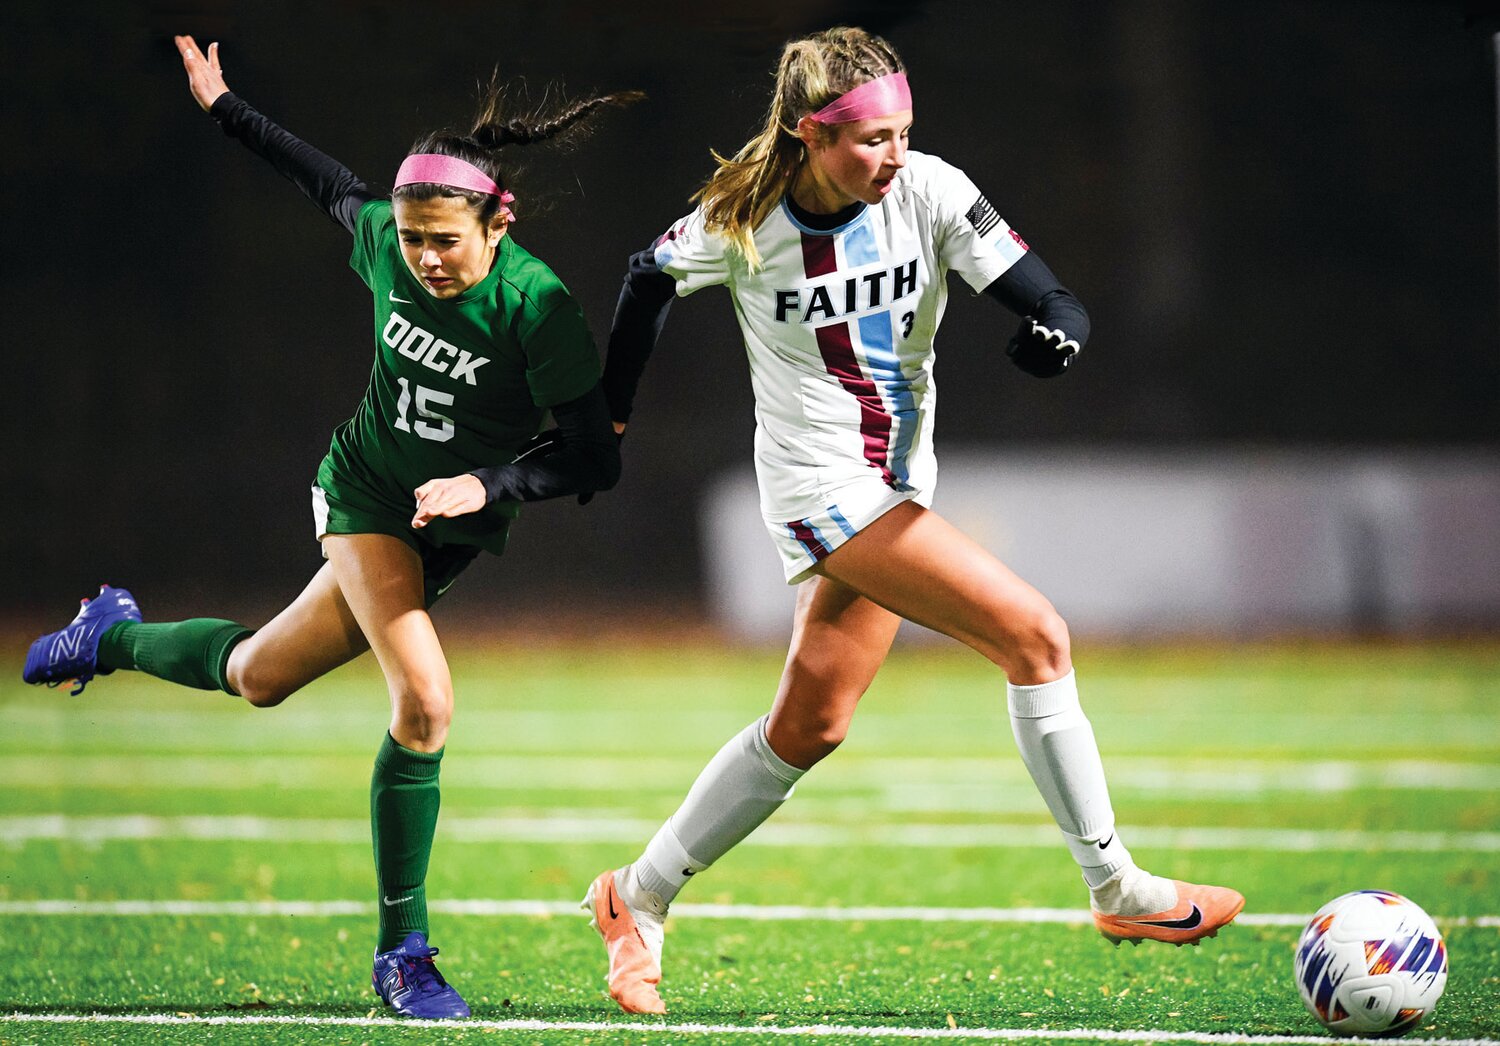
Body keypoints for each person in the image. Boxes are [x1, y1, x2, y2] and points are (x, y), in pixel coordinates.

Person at [584, 26, 1244, 1015]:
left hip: (897, 482)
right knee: (1036, 635)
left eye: (902, 132)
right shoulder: (744, 220)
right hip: (818, 487)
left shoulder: (930, 189)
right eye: (870, 139)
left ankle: (635, 895)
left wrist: (1057, 330)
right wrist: (612, 409)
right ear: (811, 133)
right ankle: (1118, 886)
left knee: (810, 725)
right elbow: (645, 277)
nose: (892, 154)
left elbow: (1051, 294)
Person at [22, 34, 633, 1020]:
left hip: (446, 521)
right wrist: (224, 104)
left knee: (259, 674)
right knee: (425, 703)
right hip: (364, 495)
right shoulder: (387, 241)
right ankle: (404, 953)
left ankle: (114, 631)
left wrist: (491, 481)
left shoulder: (539, 309)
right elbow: (321, 180)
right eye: (412, 237)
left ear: (497, 222)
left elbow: (592, 457)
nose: (426, 257)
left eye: (447, 240)